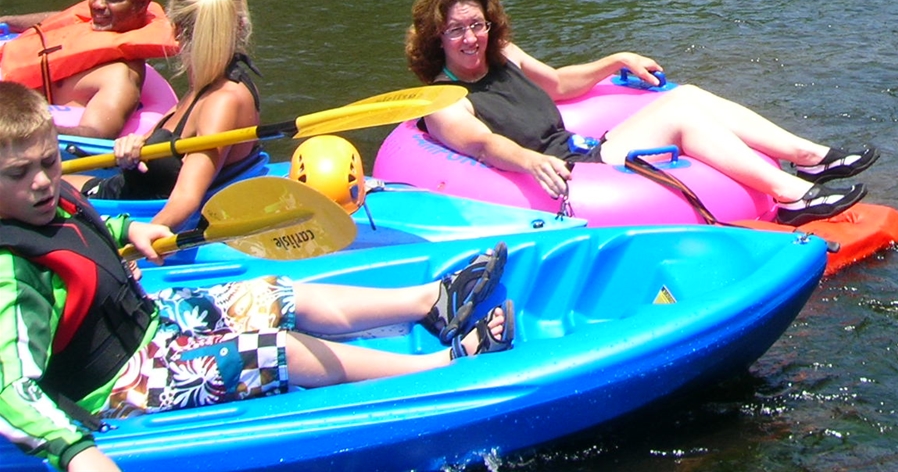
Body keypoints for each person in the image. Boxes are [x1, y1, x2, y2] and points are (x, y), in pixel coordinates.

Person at [0, 82, 513, 472]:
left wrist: (128, 227)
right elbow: (11, 389)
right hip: (122, 384)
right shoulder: (10, 272)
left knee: (273, 294)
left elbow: (87, 229)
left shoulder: (52, 201)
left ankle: (430, 300)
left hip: (151, 323)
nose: (42, 181)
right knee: (276, 349)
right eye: (19, 173)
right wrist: (76, 453)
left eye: (49, 161)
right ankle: (442, 365)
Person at [406, 0, 876, 225]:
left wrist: (616, 59)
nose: (471, 38)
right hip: (566, 176)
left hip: (582, 151)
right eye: (457, 30)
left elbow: (558, 84)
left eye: (477, 25)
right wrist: (529, 161)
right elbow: (480, 144)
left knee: (687, 96)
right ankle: (791, 194)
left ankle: (811, 158)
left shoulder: (504, 54)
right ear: (437, 37)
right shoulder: (442, 99)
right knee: (684, 118)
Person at [68, 0, 263, 230]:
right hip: (128, 188)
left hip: (132, 208)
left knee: (27, 191)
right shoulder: (211, 84)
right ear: (239, 25)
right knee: (49, 179)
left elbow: (186, 200)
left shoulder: (221, 102)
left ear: (176, 29)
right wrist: (136, 143)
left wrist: (136, 241)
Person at [0, 0, 178, 140]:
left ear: (142, 3)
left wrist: (23, 124)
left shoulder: (121, 77)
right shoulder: (98, 22)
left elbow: (96, 133)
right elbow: (60, 20)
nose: (97, 4)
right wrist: (7, 21)